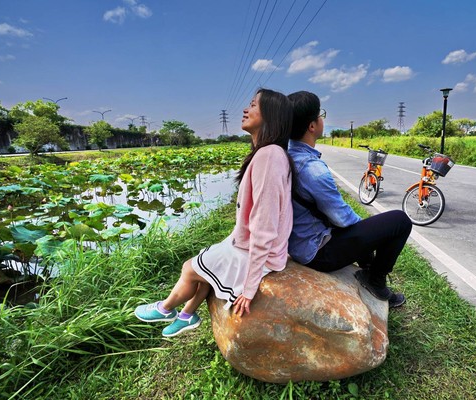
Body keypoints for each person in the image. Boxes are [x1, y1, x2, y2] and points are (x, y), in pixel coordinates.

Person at [135, 88, 294, 337]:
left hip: (258, 253)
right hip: (247, 244)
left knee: (190, 269)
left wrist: (250, 288)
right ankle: (187, 314)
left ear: (271, 115)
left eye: (253, 105)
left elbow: (265, 225)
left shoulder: (269, 155)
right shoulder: (266, 153)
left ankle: (165, 308)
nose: (246, 110)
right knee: (207, 266)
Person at [287, 90, 412, 308]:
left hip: (298, 242)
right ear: (312, 126)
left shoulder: (285, 155)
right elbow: (342, 217)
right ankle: (376, 281)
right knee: (399, 221)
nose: (322, 118)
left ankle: (368, 267)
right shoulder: (311, 169)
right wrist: (369, 235)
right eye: (320, 114)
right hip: (316, 252)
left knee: (365, 233)